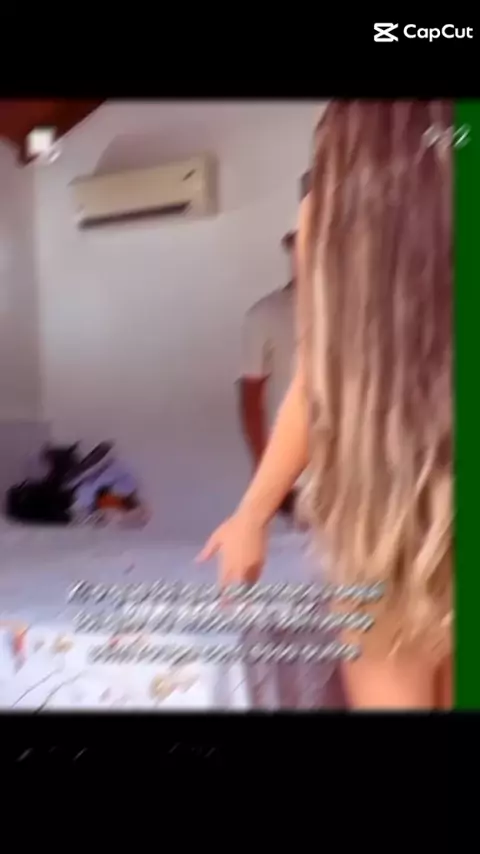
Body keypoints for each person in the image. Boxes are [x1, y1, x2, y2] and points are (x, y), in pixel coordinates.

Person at [198, 101, 453, 710]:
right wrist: (254, 514)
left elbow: (316, 377)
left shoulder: (327, 215)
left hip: (380, 513)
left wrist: (253, 516)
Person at [238, 231, 298, 517]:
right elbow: (252, 398)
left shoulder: (357, 312)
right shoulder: (264, 315)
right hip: (295, 470)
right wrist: (266, 470)